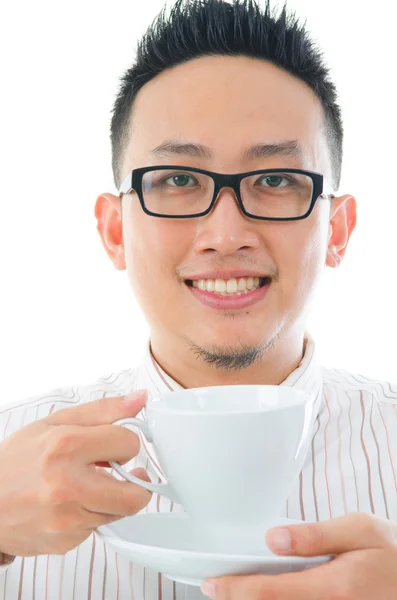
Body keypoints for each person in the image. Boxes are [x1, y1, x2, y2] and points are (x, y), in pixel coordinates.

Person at [1, 0, 396, 598]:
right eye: (179, 180)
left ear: (337, 231)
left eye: (275, 180)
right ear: (115, 232)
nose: (226, 235)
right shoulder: (10, 461)